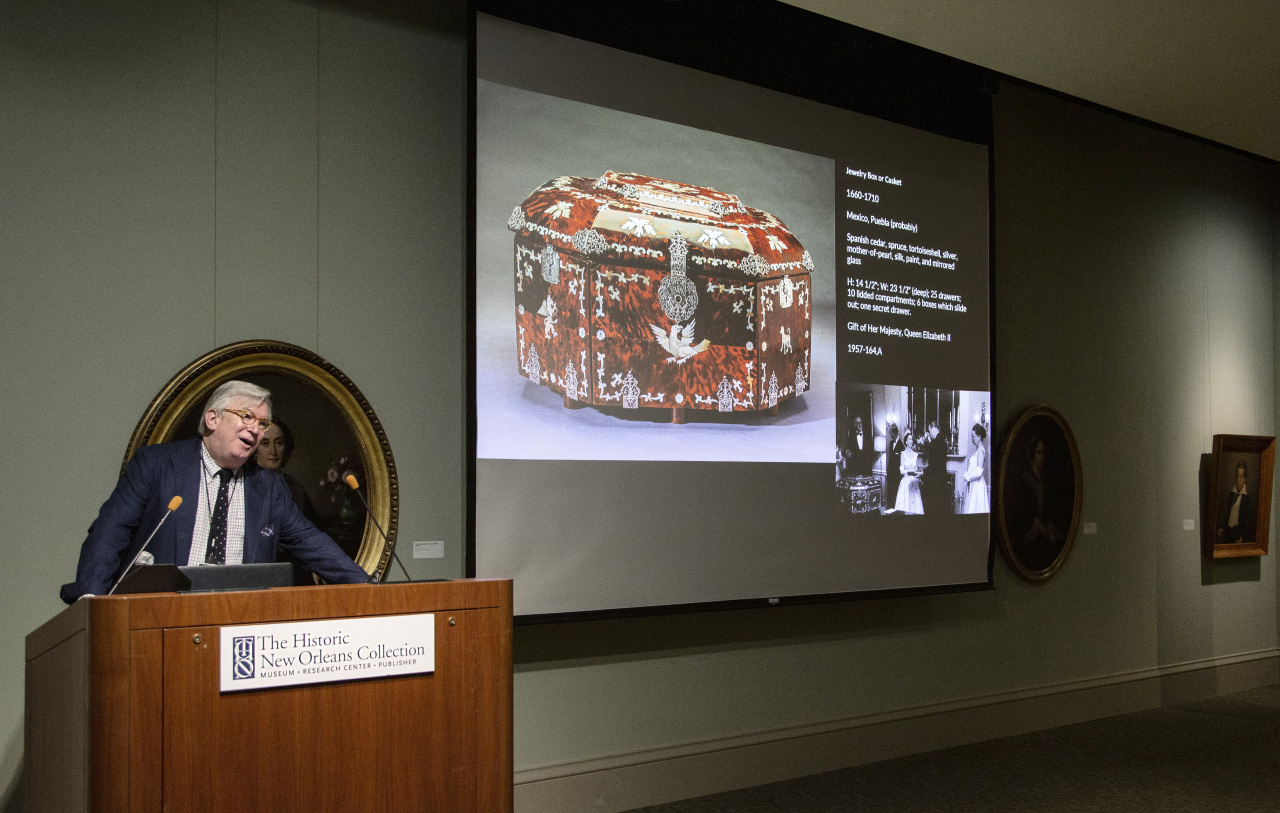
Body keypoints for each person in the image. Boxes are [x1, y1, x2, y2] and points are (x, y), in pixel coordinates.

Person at [60, 380, 368, 602]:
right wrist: (92, 603)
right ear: (212, 418)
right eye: (247, 416)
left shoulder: (269, 487)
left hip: (238, 624)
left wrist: (367, 585)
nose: (256, 430)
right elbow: (110, 532)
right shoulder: (157, 465)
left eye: (263, 423)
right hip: (158, 620)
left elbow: (310, 541)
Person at [255, 419, 322, 526]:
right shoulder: (244, 482)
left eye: (278, 443)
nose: (273, 451)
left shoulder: (294, 487)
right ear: (255, 448)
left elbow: (313, 528)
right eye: (265, 443)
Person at [1217, 460, 1255, 545]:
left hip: (1237, 535)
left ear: (1245, 479)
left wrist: (1243, 537)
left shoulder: (1246, 498)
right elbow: (1227, 513)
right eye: (1237, 476)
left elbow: (1248, 523)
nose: (1238, 480)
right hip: (1227, 533)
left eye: (1241, 477)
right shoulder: (1231, 495)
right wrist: (1222, 527)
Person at [922, 419, 952, 515]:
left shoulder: (937, 442)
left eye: (929, 430)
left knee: (934, 507)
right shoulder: (941, 440)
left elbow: (934, 464)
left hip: (936, 481)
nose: (929, 433)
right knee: (939, 507)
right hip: (940, 479)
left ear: (933, 428)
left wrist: (923, 472)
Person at [893, 430, 924, 514]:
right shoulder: (902, 454)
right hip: (906, 481)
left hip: (914, 480)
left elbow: (917, 468)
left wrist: (917, 472)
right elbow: (902, 470)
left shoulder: (916, 454)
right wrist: (910, 472)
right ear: (906, 441)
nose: (911, 441)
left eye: (912, 439)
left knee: (916, 508)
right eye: (909, 439)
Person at [962, 423, 989, 514]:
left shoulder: (981, 450)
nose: (972, 439)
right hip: (974, 484)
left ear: (979, 437)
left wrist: (968, 476)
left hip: (978, 485)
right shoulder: (978, 450)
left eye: (973, 437)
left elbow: (978, 472)